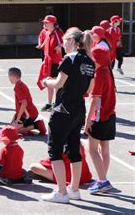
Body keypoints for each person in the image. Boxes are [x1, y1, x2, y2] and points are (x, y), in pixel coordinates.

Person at [41, 27, 94, 204]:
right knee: (73, 149)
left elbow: (58, 83)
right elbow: (88, 90)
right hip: (79, 108)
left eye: (64, 41)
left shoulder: (69, 59)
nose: (62, 44)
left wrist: (47, 81)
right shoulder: (90, 61)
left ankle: (61, 192)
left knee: (54, 149)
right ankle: (74, 190)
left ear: (71, 41)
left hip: (63, 109)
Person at [85, 46, 116, 194]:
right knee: (104, 149)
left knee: (92, 149)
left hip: (99, 117)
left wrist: (87, 120)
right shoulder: (108, 72)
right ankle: (102, 178)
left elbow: (94, 100)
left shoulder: (99, 75)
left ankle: (102, 181)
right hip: (110, 115)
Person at [37, 15, 64, 112]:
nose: (44, 24)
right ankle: (49, 103)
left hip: (56, 62)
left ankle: (57, 103)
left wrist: (60, 46)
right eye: (44, 22)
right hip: (48, 61)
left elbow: (66, 41)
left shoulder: (58, 33)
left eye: (46, 22)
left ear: (52, 23)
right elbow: (45, 41)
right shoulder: (48, 33)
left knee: (56, 83)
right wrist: (41, 45)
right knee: (48, 82)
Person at [8, 67, 46, 135]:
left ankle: (37, 125)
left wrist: (17, 119)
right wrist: (15, 118)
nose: (9, 78)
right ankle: (27, 126)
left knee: (13, 132)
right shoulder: (20, 84)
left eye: (9, 76)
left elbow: (24, 103)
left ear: (14, 77)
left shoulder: (18, 87)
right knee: (9, 129)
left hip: (30, 115)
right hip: (27, 114)